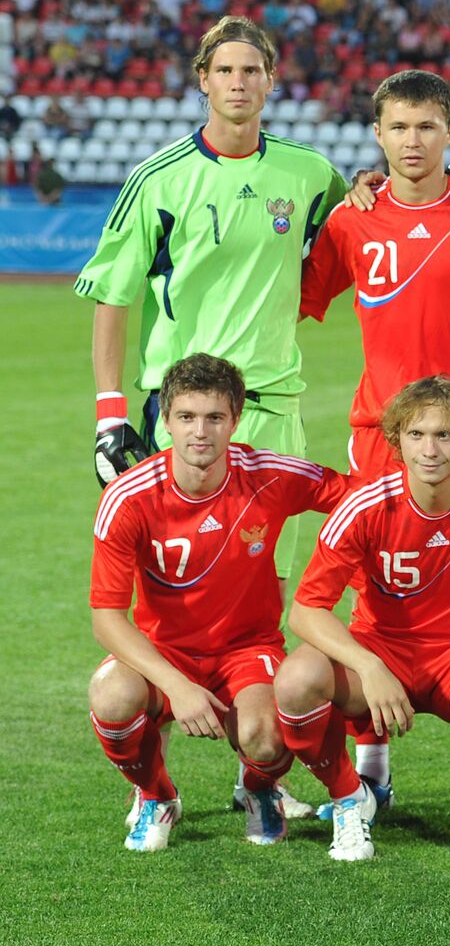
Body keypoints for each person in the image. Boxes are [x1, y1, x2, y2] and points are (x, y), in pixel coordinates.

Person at [76, 15, 346, 588]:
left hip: (274, 404)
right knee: (183, 581)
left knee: (265, 582)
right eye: (225, 70)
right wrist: (109, 414)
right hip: (186, 412)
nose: (239, 82)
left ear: (272, 80)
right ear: (203, 79)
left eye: (252, 70)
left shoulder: (312, 175)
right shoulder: (158, 180)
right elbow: (111, 294)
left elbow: (356, 229)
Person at [274, 377, 450, 863]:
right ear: (397, 440)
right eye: (417, 435)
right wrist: (369, 666)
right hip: (381, 649)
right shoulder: (366, 505)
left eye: (445, 435)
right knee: (296, 681)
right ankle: (348, 797)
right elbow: (306, 608)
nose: (431, 449)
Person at [87, 354, 351, 852]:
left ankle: (257, 789)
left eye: (214, 418)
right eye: (186, 417)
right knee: (111, 697)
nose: (200, 432)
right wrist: (177, 686)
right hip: (163, 652)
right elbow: (107, 619)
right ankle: (156, 795)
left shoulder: (269, 475)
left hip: (247, 650)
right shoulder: (128, 498)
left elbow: (363, 496)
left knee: (268, 735)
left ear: (235, 419)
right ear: (165, 421)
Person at [300, 69, 450, 480]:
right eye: (399, 127)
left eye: (426, 127)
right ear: (379, 133)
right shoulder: (353, 218)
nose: (412, 141)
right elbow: (296, 302)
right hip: (380, 429)